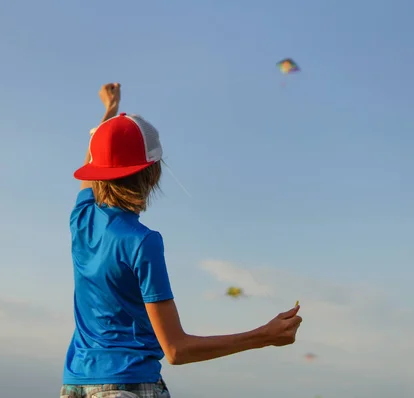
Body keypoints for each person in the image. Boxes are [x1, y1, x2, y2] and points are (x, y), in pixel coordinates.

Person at [60, 83, 303, 398]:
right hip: (128, 387)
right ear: (152, 173)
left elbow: (94, 166)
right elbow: (176, 350)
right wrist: (263, 335)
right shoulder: (142, 243)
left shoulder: (81, 219)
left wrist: (109, 112)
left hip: (75, 385)